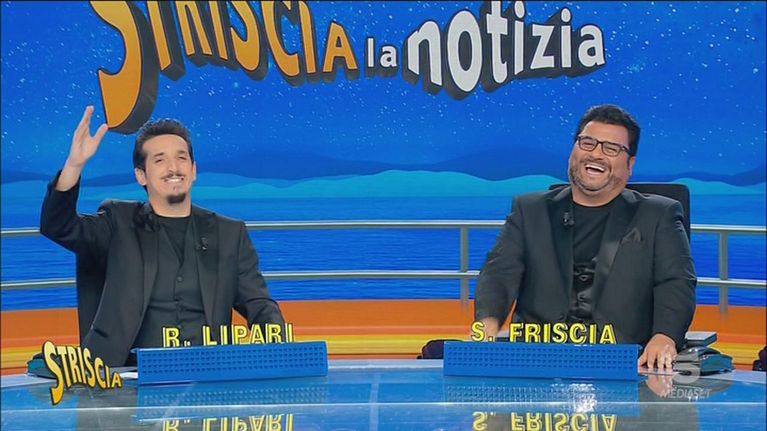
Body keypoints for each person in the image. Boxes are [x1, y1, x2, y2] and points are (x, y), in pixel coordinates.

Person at [40, 106, 285, 366]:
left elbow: (259, 305)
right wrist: (74, 165)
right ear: (141, 176)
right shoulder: (118, 222)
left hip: (206, 372)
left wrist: (280, 354)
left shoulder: (229, 234)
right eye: (160, 160)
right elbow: (58, 226)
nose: (173, 168)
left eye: (181, 158)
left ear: (193, 170)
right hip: (125, 375)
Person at [474, 104, 696, 371]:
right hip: (538, 361)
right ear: (573, 151)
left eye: (611, 148)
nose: (596, 154)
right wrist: (487, 325)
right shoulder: (530, 211)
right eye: (588, 143)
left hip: (625, 363)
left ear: (630, 165)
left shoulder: (658, 215)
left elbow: (676, 282)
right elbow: (499, 273)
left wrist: (665, 337)